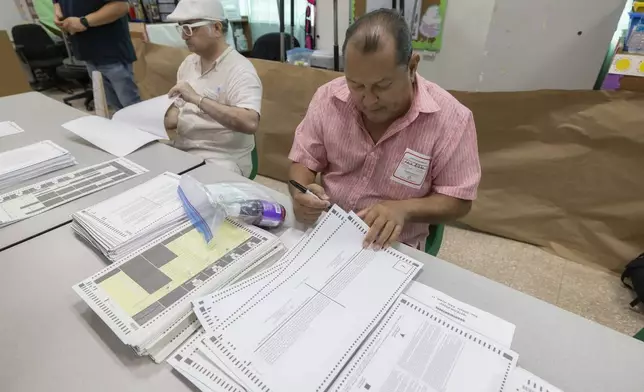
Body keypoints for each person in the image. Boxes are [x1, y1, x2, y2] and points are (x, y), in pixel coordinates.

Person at [289, 9, 481, 250]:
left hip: (393, 246)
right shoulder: (328, 98)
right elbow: (304, 160)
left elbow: (459, 200)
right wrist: (303, 191)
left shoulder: (452, 120)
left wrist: (403, 209)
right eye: (356, 85)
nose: (368, 100)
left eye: (383, 85)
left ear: (412, 66)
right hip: (329, 231)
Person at [163, 0, 262, 177]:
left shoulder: (240, 70)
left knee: (193, 191)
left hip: (222, 157)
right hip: (185, 147)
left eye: (189, 28)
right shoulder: (188, 64)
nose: (184, 36)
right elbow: (176, 111)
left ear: (216, 28)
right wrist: (160, 117)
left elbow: (250, 122)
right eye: (181, 29)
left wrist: (197, 98)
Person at [53, 0, 141, 110]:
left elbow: (121, 6)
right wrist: (57, 9)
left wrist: (83, 22)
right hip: (88, 54)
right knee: (115, 107)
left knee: (131, 107)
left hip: (111, 52)